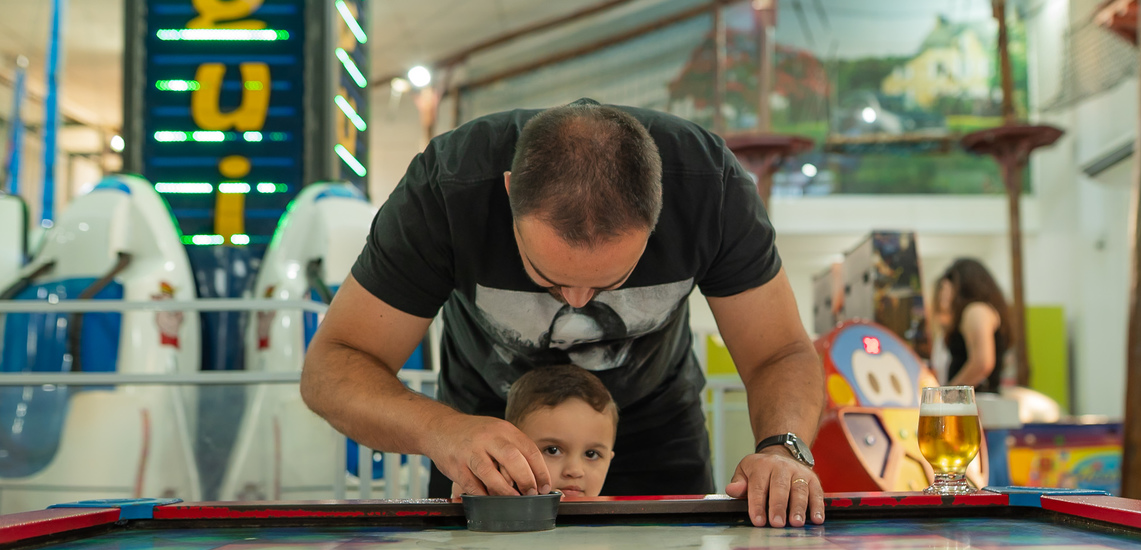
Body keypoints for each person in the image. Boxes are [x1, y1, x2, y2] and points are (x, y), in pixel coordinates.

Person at [301, 99, 826, 528]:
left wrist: (783, 449)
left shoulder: (710, 188)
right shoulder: (447, 190)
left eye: (609, 283)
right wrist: (440, 431)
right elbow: (332, 367)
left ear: (661, 207)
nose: (576, 302)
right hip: (482, 436)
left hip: (654, 431)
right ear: (509, 193)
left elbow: (779, 351)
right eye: (547, 277)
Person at [453, 365, 617, 498]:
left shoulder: (614, 531)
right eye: (552, 450)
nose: (574, 471)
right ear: (507, 451)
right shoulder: (487, 503)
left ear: (609, 460)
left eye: (591, 454)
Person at [935, 258, 1011, 392]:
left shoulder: (976, 310)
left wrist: (947, 395)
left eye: (947, 288)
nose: (943, 295)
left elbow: (982, 364)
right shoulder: (984, 310)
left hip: (974, 403)